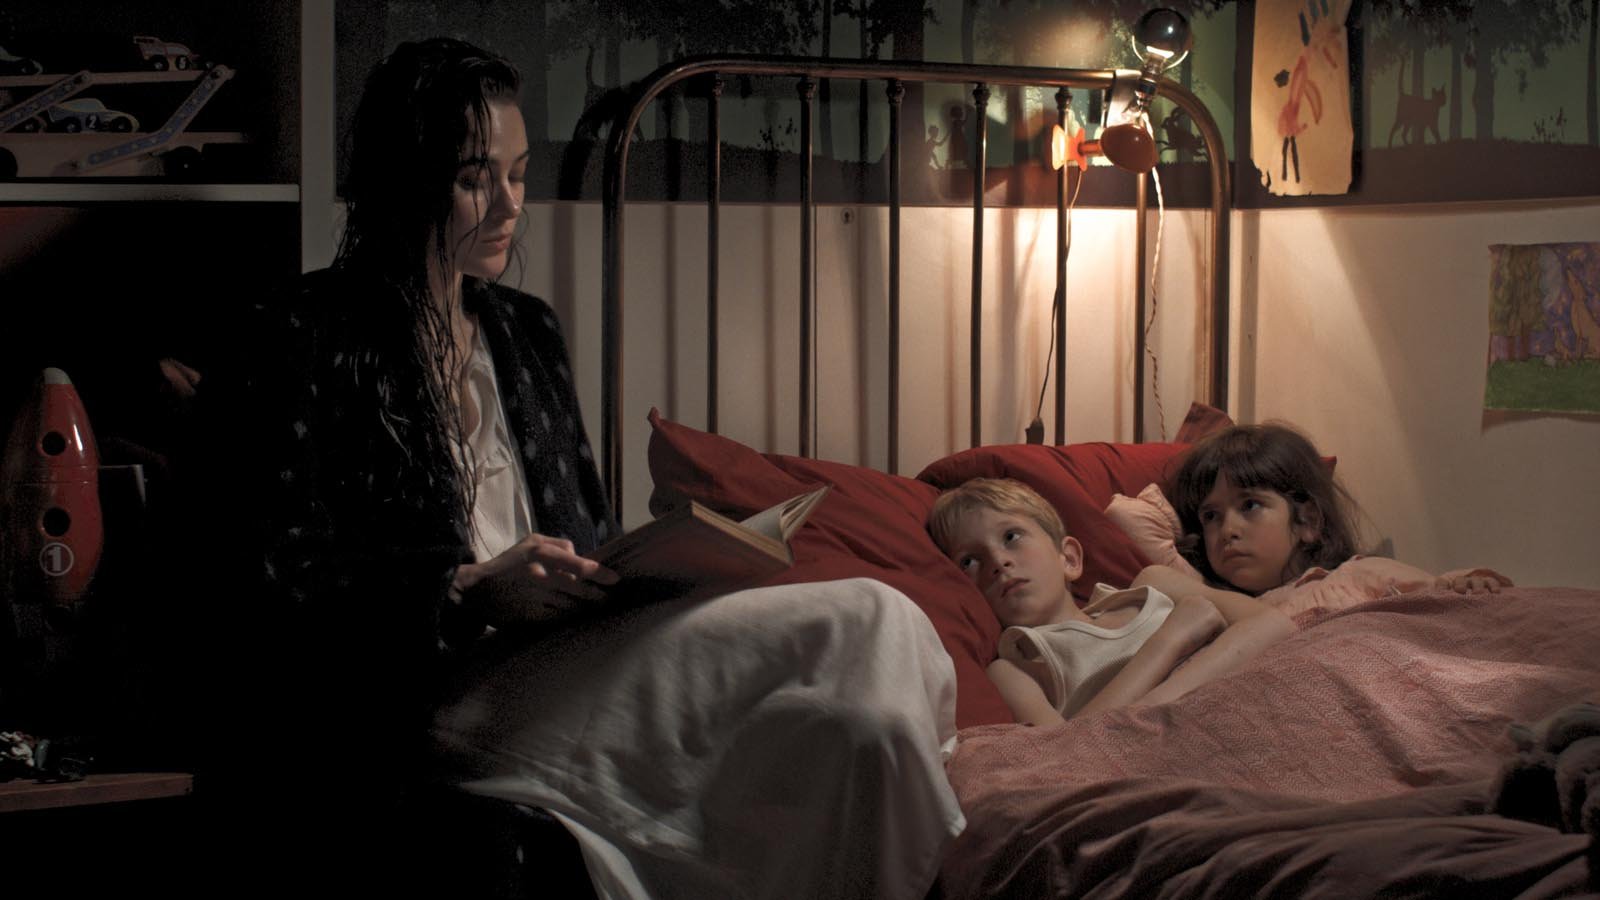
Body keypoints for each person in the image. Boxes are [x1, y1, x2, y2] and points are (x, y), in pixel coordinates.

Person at [177, 38, 961, 900]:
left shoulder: (525, 331)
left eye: (519, 174)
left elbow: (586, 528)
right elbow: (261, 581)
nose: (510, 204)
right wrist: (465, 591)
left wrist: (649, 568)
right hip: (438, 690)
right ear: (406, 180)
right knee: (857, 625)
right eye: (476, 178)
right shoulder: (300, 332)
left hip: (563, 654)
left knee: (874, 637)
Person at [928, 478, 1293, 727]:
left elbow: (1277, 626)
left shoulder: (1153, 585)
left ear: (1069, 558)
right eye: (969, 561)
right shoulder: (1016, 667)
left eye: (1011, 536)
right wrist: (1170, 641)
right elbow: (1068, 755)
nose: (997, 561)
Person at [1138, 422, 1508, 623]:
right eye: (1211, 516)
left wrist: (1468, 582)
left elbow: (1439, 594)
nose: (1228, 531)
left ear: (1308, 521)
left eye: (1250, 505)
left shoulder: (1358, 575)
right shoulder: (1212, 609)